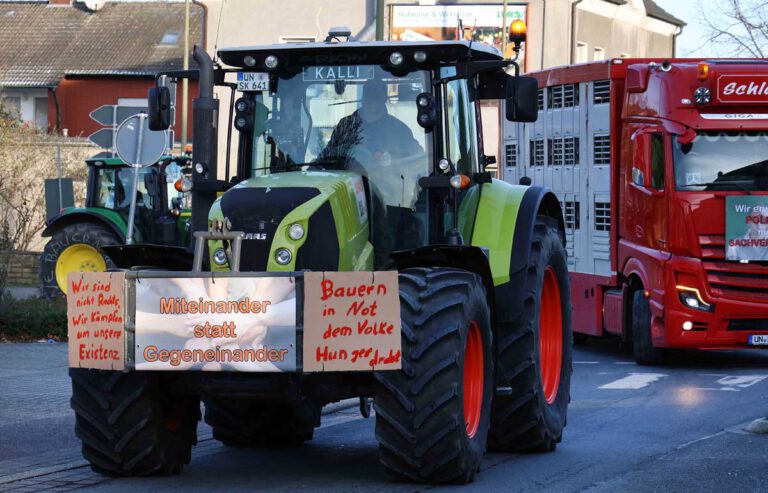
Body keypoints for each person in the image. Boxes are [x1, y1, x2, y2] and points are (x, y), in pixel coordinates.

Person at [320, 79, 422, 165]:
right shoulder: (346, 125)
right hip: (347, 183)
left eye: (376, 95)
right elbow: (328, 154)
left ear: (384, 98)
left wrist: (392, 160)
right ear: (363, 98)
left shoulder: (399, 130)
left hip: (387, 186)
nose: (372, 99)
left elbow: (417, 159)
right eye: (369, 94)